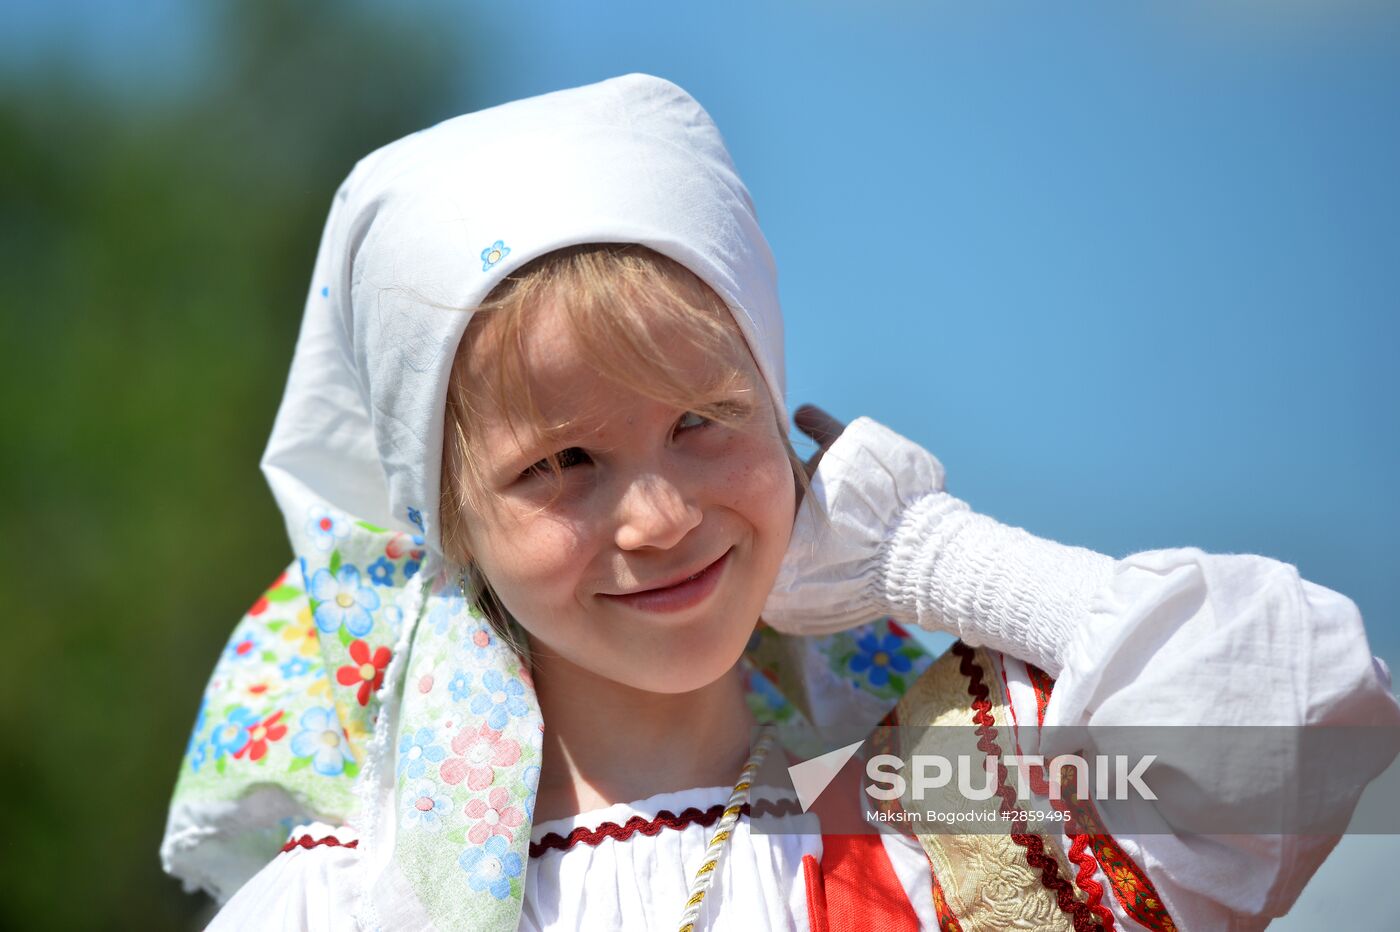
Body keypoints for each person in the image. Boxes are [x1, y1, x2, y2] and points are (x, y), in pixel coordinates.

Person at [161, 73, 1400, 931]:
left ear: (777, 401)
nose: (656, 517)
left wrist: (938, 559)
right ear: (445, 522)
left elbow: (1307, 735)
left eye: (701, 420)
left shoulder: (943, 815)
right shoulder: (344, 902)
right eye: (559, 465)